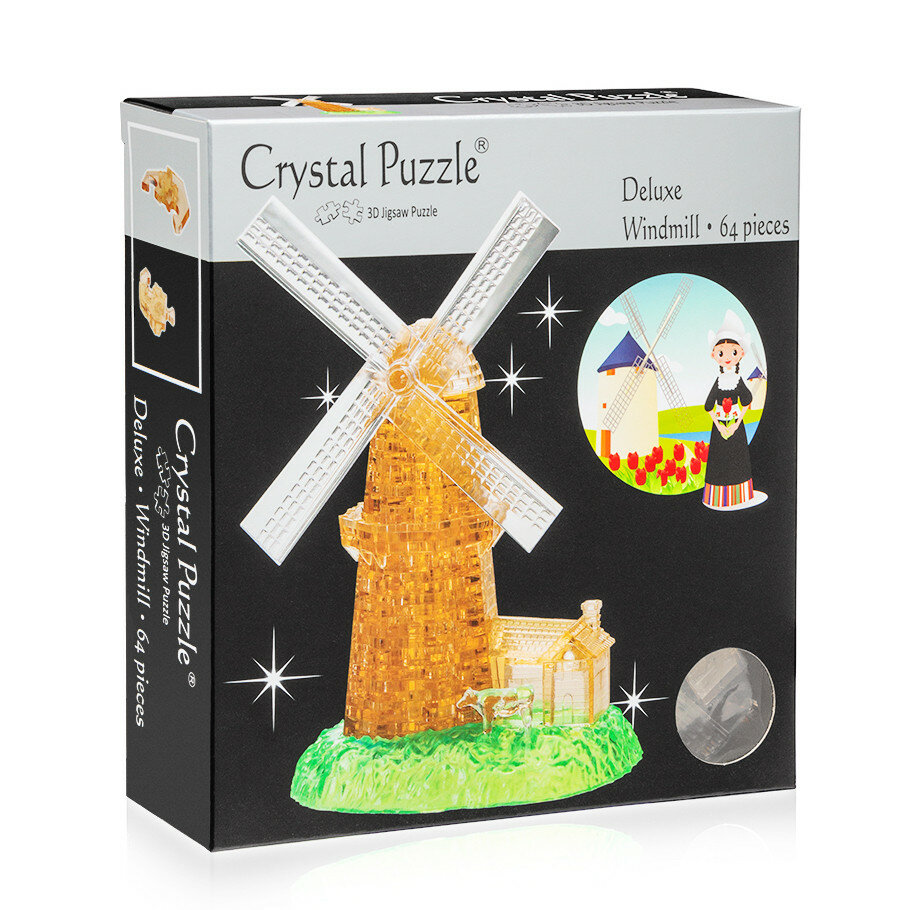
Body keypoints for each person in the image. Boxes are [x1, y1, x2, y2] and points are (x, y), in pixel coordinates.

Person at [702, 310, 767, 510]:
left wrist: (737, 422)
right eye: (721, 353)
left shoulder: (738, 380)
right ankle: (717, 498)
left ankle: (739, 496)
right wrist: (719, 425)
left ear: (741, 354)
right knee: (719, 459)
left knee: (737, 457)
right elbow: (708, 405)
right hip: (720, 428)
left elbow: (747, 400)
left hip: (736, 427)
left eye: (733, 352)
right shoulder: (718, 381)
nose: (727, 357)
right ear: (714, 355)